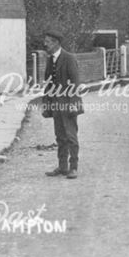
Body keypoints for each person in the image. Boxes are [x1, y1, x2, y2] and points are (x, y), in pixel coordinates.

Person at [43, 30, 84, 179]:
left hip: (68, 104)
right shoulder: (50, 59)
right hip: (55, 105)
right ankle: (62, 167)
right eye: (45, 41)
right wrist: (46, 103)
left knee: (71, 136)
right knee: (59, 136)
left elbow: (75, 82)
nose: (45, 44)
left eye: (48, 41)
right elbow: (48, 83)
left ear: (56, 43)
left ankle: (73, 167)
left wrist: (74, 103)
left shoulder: (69, 58)